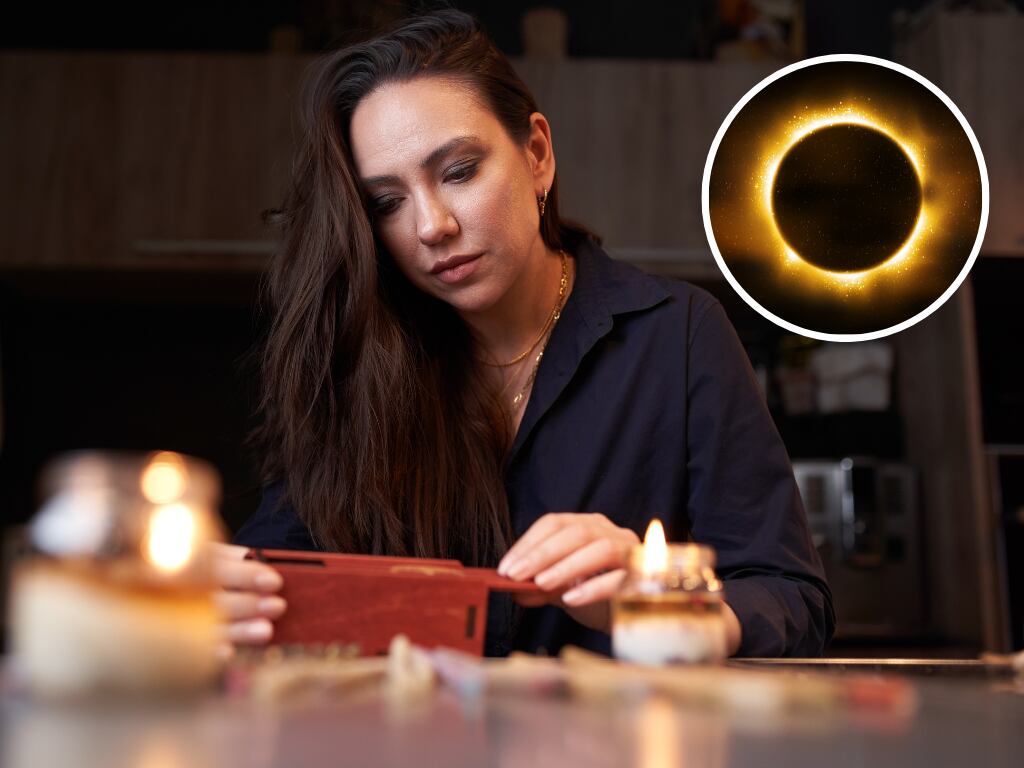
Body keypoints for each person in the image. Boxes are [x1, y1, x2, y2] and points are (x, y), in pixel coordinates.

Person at [218, 9, 835, 658]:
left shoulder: (679, 336)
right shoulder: (356, 360)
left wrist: (659, 596)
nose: (431, 226)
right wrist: (209, 594)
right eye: (387, 203)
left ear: (536, 154)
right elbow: (268, 583)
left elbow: (795, 600)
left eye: (458, 172)